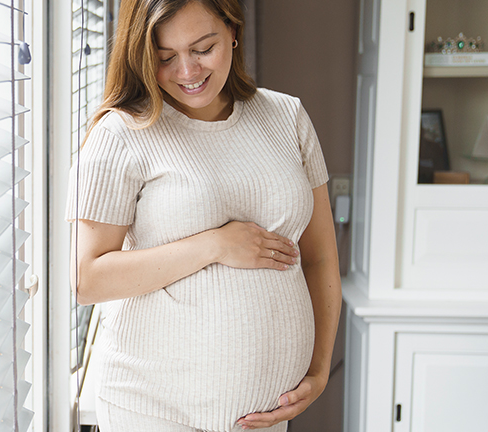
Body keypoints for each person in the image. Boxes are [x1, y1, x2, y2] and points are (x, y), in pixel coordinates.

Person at [66, 0, 342, 430]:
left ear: (233, 31)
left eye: (203, 48)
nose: (187, 72)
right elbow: (87, 278)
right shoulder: (122, 134)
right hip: (155, 410)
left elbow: (321, 257)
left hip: (266, 414)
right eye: (165, 57)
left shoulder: (287, 118)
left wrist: (319, 369)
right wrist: (212, 245)